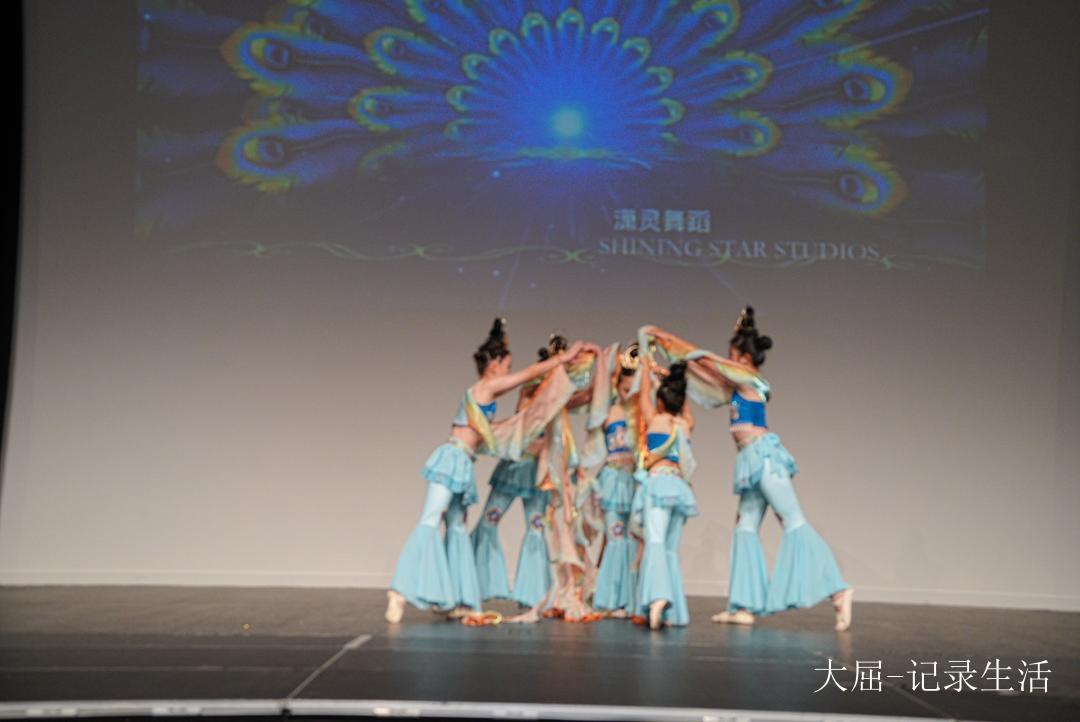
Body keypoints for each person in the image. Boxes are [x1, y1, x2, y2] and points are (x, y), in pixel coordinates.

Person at [385, 319, 584, 624]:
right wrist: (562, 359)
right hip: (451, 459)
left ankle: (458, 599)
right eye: (506, 365)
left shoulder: (487, 391)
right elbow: (525, 376)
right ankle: (401, 589)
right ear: (493, 365)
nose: (508, 371)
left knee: (457, 527)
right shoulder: (485, 387)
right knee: (430, 520)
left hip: (464, 463)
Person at [634, 358, 698, 630]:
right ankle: (673, 613)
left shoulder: (655, 419)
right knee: (669, 549)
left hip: (659, 484)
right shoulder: (685, 424)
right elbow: (685, 409)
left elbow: (642, 396)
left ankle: (658, 598)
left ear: (660, 401)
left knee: (656, 542)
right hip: (679, 488)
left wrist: (647, 370)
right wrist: (674, 382)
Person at [592, 344, 641, 618]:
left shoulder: (643, 414)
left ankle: (629, 599)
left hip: (633, 481)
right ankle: (610, 599)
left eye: (633, 390)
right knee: (615, 536)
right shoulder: (609, 412)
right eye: (624, 389)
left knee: (632, 539)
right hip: (612, 480)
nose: (628, 395)